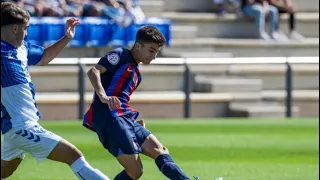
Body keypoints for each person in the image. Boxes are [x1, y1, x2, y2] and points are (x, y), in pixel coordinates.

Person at [1, 2, 110, 180]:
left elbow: (44, 57)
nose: (26, 33)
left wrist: (66, 38)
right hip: (20, 127)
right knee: (73, 155)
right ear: (14, 28)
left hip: (19, 126)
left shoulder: (22, 49)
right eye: (25, 28)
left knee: (3, 173)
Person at [83, 26, 191, 180]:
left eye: (156, 52)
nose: (153, 56)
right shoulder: (120, 55)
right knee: (135, 171)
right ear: (138, 46)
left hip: (126, 119)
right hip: (110, 118)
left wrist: (132, 122)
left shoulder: (136, 73)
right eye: (151, 50)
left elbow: (122, 99)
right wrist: (103, 96)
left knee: (160, 151)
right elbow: (93, 71)